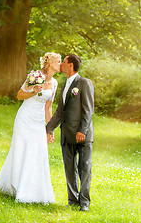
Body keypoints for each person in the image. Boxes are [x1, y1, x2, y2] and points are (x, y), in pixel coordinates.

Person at [0, 52, 61, 204]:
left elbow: (48, 107)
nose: (60, 64)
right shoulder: (34, 76)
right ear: (49, 63)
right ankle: (13, 186)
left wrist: (49, 129)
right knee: (21, 150)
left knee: (37, 152)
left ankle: (33, 191)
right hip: (25, 118)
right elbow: (19, 95)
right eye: (58, 61)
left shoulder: (54, 83)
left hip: (38, 122)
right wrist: (33, 91)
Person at [46, 54, 94, 212]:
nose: (61, 65)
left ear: (71, 65)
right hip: (66, 133)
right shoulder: (64, 85)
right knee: (69, 168)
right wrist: (48, 128)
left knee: (84, 168)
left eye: (64, 62)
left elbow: (88, 110)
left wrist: (83, 130)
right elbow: (60, 112)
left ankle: (84, 203)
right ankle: (72, 200)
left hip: (82, 135)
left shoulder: (84, 83)